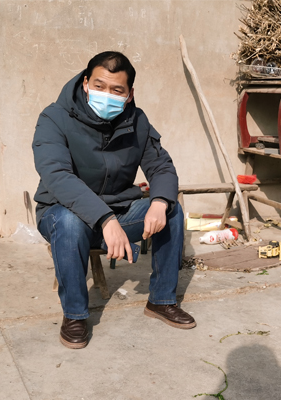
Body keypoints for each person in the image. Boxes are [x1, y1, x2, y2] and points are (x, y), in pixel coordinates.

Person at [33, 51, 196, 350]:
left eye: (116, 90)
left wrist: (160, 202)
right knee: (69, 223)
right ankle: (75, 315)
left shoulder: (137, 120)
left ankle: (161, 300)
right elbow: (57, 176)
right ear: (85, 83)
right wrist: (105, 220)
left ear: (129, 93)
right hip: (62, 212)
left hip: (119, 211)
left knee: (171, 210)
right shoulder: (54, 117)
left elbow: (161, 166)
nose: (106, 95)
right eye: (99, 86)